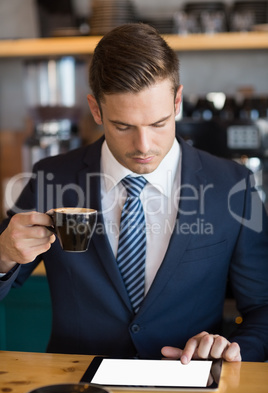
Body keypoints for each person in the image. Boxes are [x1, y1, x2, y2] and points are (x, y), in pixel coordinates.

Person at [0, 23, 268, 363]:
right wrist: (3, 253)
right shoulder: (51, 178)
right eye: (123, 126)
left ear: (178, 102)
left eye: (158, 124)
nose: (143, 146)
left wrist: (232, 350)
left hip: (189, 387)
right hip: (78, 387)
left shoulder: (235, 187)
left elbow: (263, 307)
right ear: (96, 110)